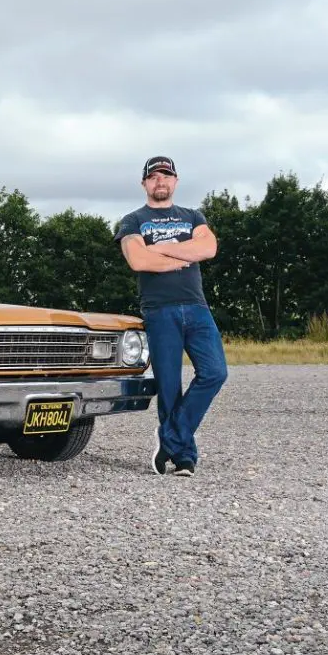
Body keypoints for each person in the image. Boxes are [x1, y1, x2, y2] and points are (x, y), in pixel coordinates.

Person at [113, 156, 228, 477]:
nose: (160, 181)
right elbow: (137, 260)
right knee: (168, 385)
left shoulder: (193, 216)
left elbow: (209, 249)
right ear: (144, 184)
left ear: (175, 181)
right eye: (153, 177)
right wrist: (182, 248)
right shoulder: (133, 220)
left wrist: (159, 249)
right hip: (159, 309)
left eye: (166, 175)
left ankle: (171, 438)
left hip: (196, 307)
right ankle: (183, 458)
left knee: (215, 372)